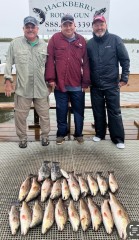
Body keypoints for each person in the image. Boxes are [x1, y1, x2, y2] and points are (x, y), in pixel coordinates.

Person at [4, 16, 50, 148]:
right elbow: (8, 63)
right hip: (23, 88)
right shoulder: (15, 43)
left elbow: (49, 67)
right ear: (23, 28)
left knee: (45, 116)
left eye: (32, 27)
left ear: (37, 29)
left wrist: (51, 83)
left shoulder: (45, 45)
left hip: (41, 88)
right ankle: (22, 138)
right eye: (27, 27)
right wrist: (8, 80)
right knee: (20, 116)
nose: (30, 29)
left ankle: (45, 136)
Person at [45, 14, 90, 145]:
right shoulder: (54, 39)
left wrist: (86, 81)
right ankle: (61, 134)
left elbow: (86, 62)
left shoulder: (81, 40)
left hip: (77, 84)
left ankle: (79, 134)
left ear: (74, 25)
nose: (68, 27)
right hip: (60, 85)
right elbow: (50, 61)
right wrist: (51, 79)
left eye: (70, 24)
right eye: (65, 25)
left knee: (79, 112)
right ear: (61, 26)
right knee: (61, 110)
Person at [87, 15, 130, 149]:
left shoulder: (115, 40)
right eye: (96, 25)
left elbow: (125, 60)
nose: (99, 27)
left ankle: (118, 138)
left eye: (101, 24)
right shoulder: (89, 44)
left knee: (114, 111)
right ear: (93, 27)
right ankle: (100, 134)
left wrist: (124, 78)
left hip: (112, 84)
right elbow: (85, 64)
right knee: (98, 111)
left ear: (105, 25)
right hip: (95, 85)